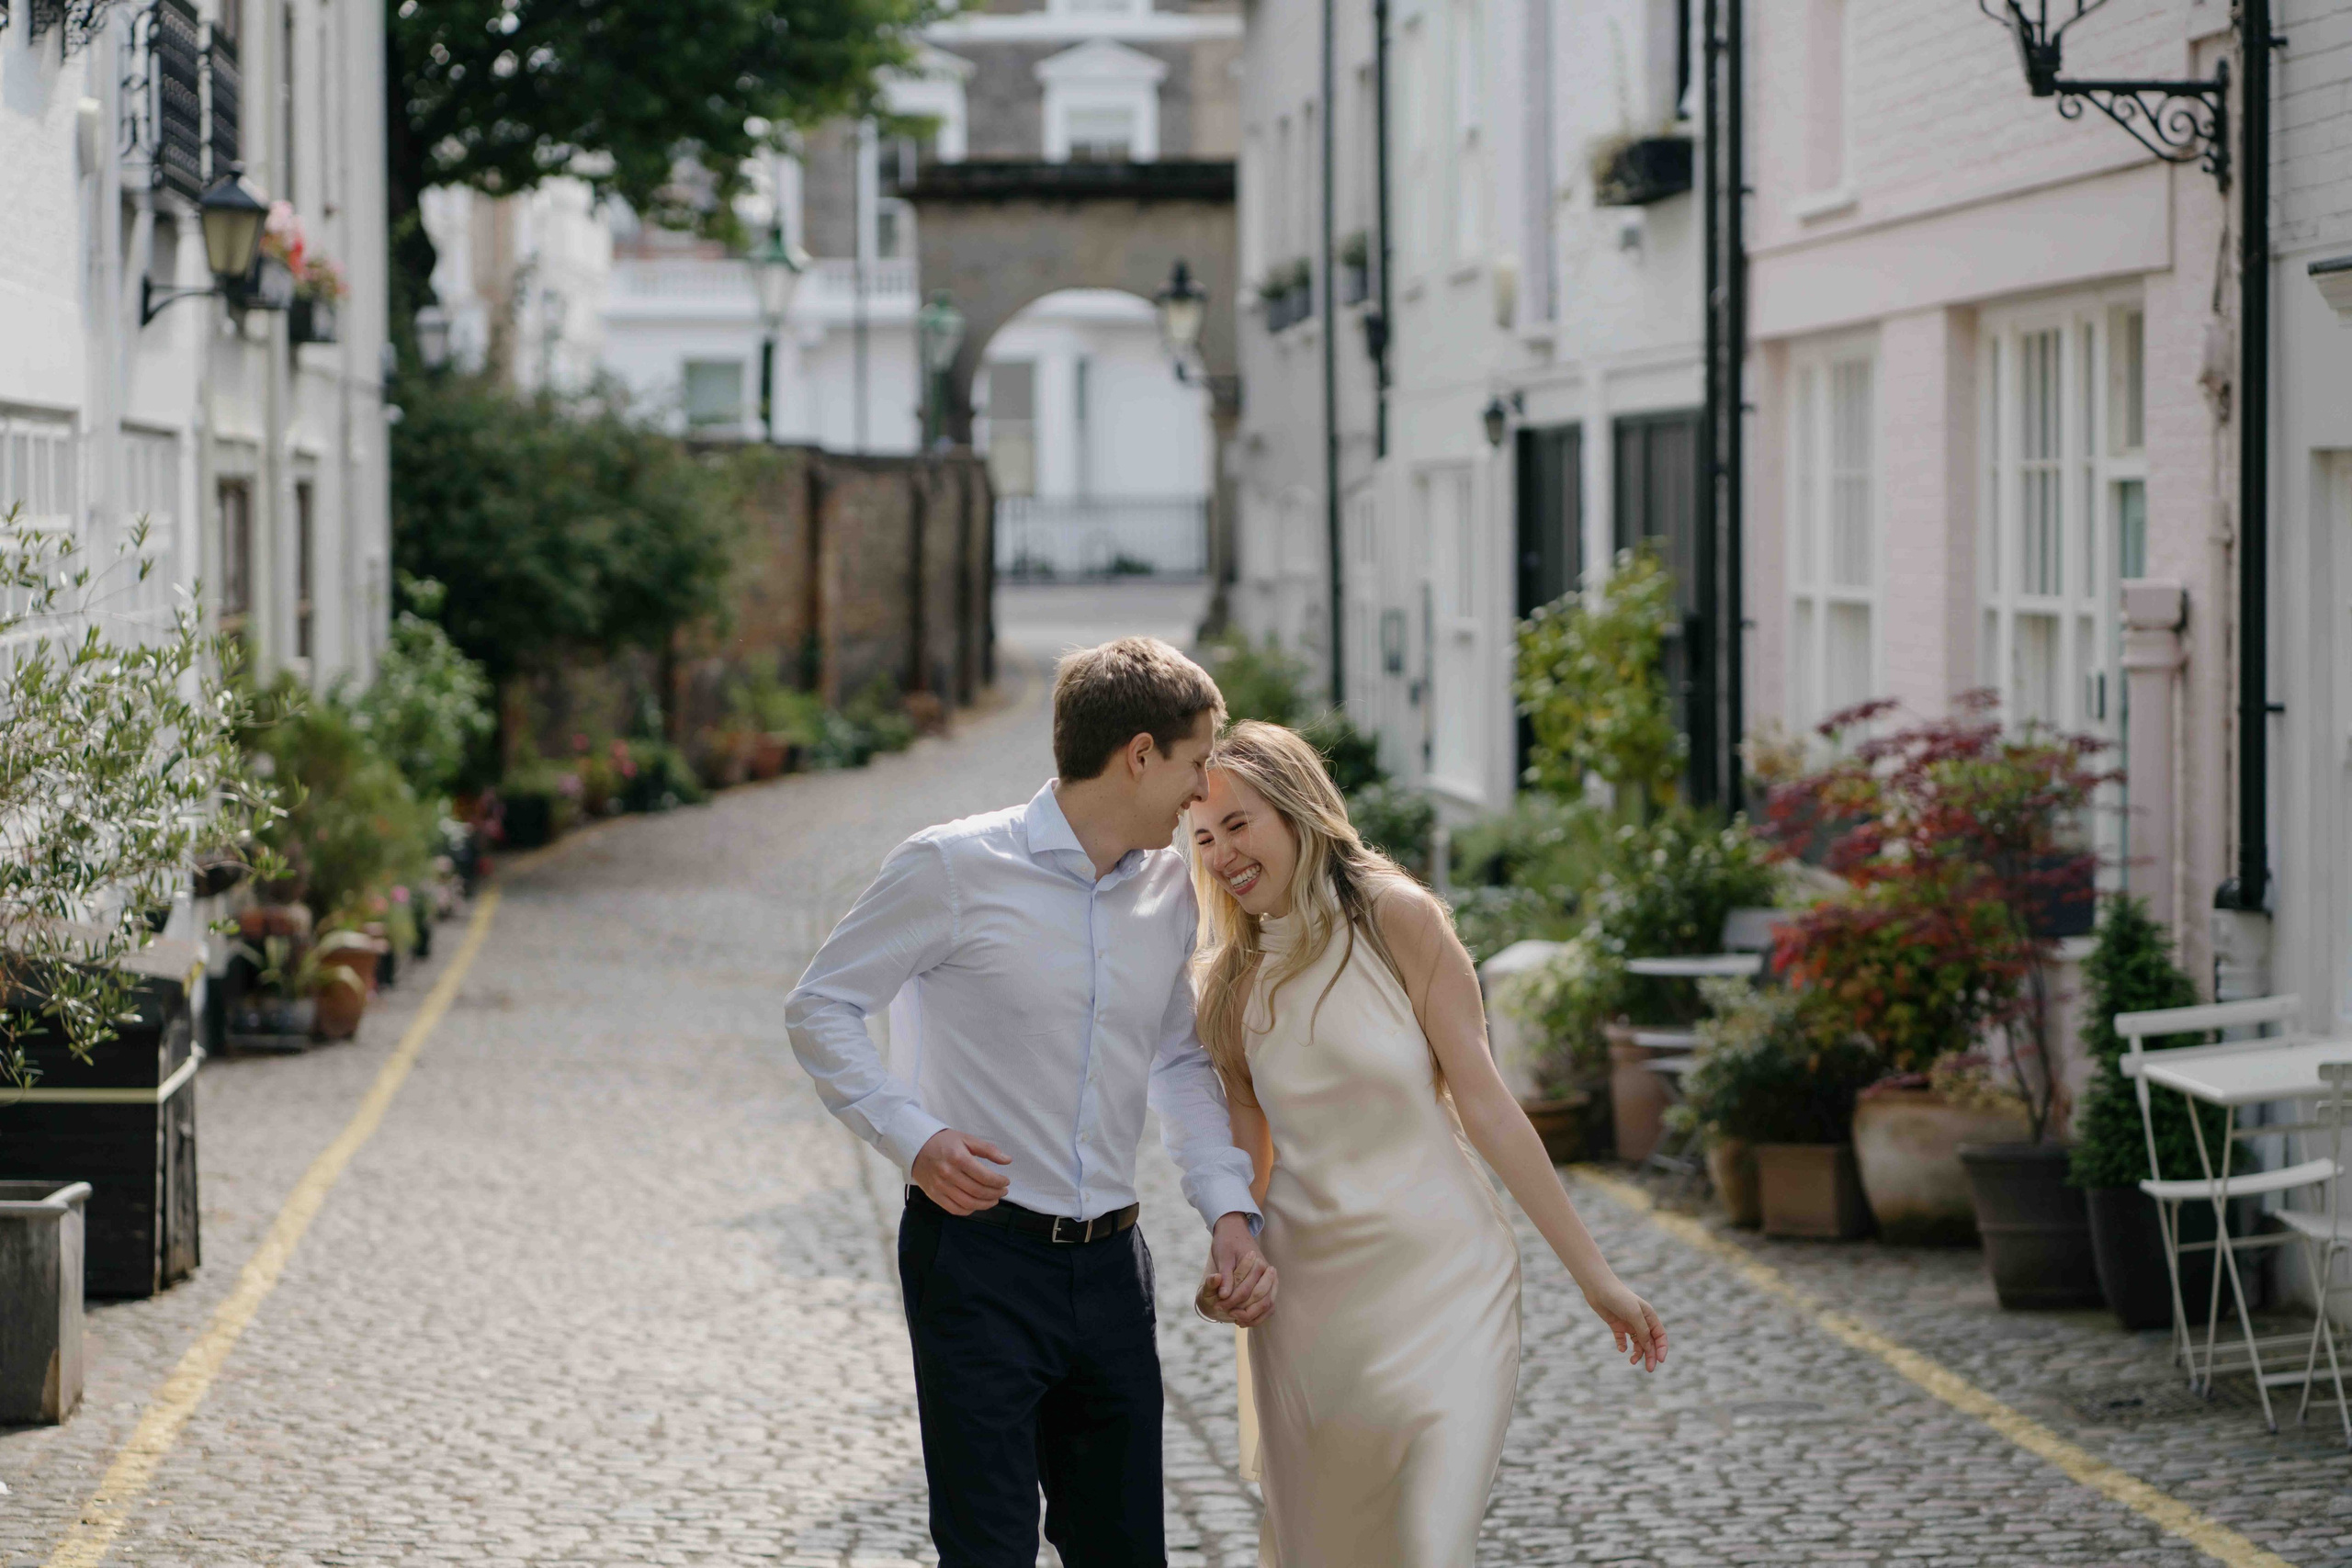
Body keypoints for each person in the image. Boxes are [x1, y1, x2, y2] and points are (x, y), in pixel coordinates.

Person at [785, 637, 1276, 1568]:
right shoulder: (950, 868)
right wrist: (914, 1139)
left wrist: (1227, 1208)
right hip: (975, 1262)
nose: (1201, 787)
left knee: (1125, 1551)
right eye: (1195, 759)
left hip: (1111, 1272)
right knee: (988, 1550)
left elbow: (1176, 1061)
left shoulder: (1171, 890)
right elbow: (821, 1005)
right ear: (1138, 755)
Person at [1186, 720, 1667, 1568]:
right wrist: (1235, 1262)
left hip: (1449, 1283)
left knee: (1430, 1545)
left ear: (1297, 811)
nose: (1223, 852)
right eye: (1202, 838)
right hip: (1311, 1315)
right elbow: (1247, 1165)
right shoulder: (1228, 983)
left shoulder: (1397, 919)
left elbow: (1487, 1106)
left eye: (1239, 823)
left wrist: (1596, 1275)